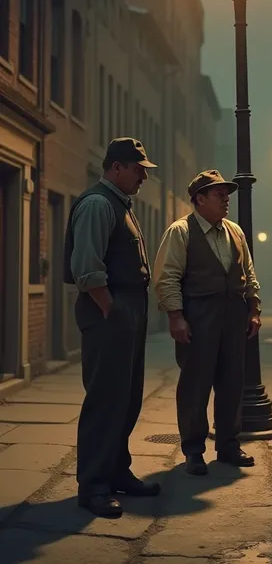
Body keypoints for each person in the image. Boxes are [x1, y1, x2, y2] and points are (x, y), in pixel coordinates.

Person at [63, 138, 161, 518]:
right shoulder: (98, 204)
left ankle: (117, 471)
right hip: (110, 312)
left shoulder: (120, 204)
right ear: (117, 167)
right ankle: (94, 485)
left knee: (127, 398)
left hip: (126, 312)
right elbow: (87, 267)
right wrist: (111, 310)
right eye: (138, 170)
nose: (143, 177)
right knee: (105, 400)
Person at [153, 170, 261, 475]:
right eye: (219, 194)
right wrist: (176, 316)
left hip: (233, 314)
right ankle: (193, 450)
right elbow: (167, 277)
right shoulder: (181, 231)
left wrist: (253, 309)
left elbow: (248, 273)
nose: (226, 199)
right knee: (195, 385)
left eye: (227, 194)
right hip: (198, 315)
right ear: (199, 199)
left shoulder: (234, 232)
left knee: (232, 383)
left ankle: (228, 444)